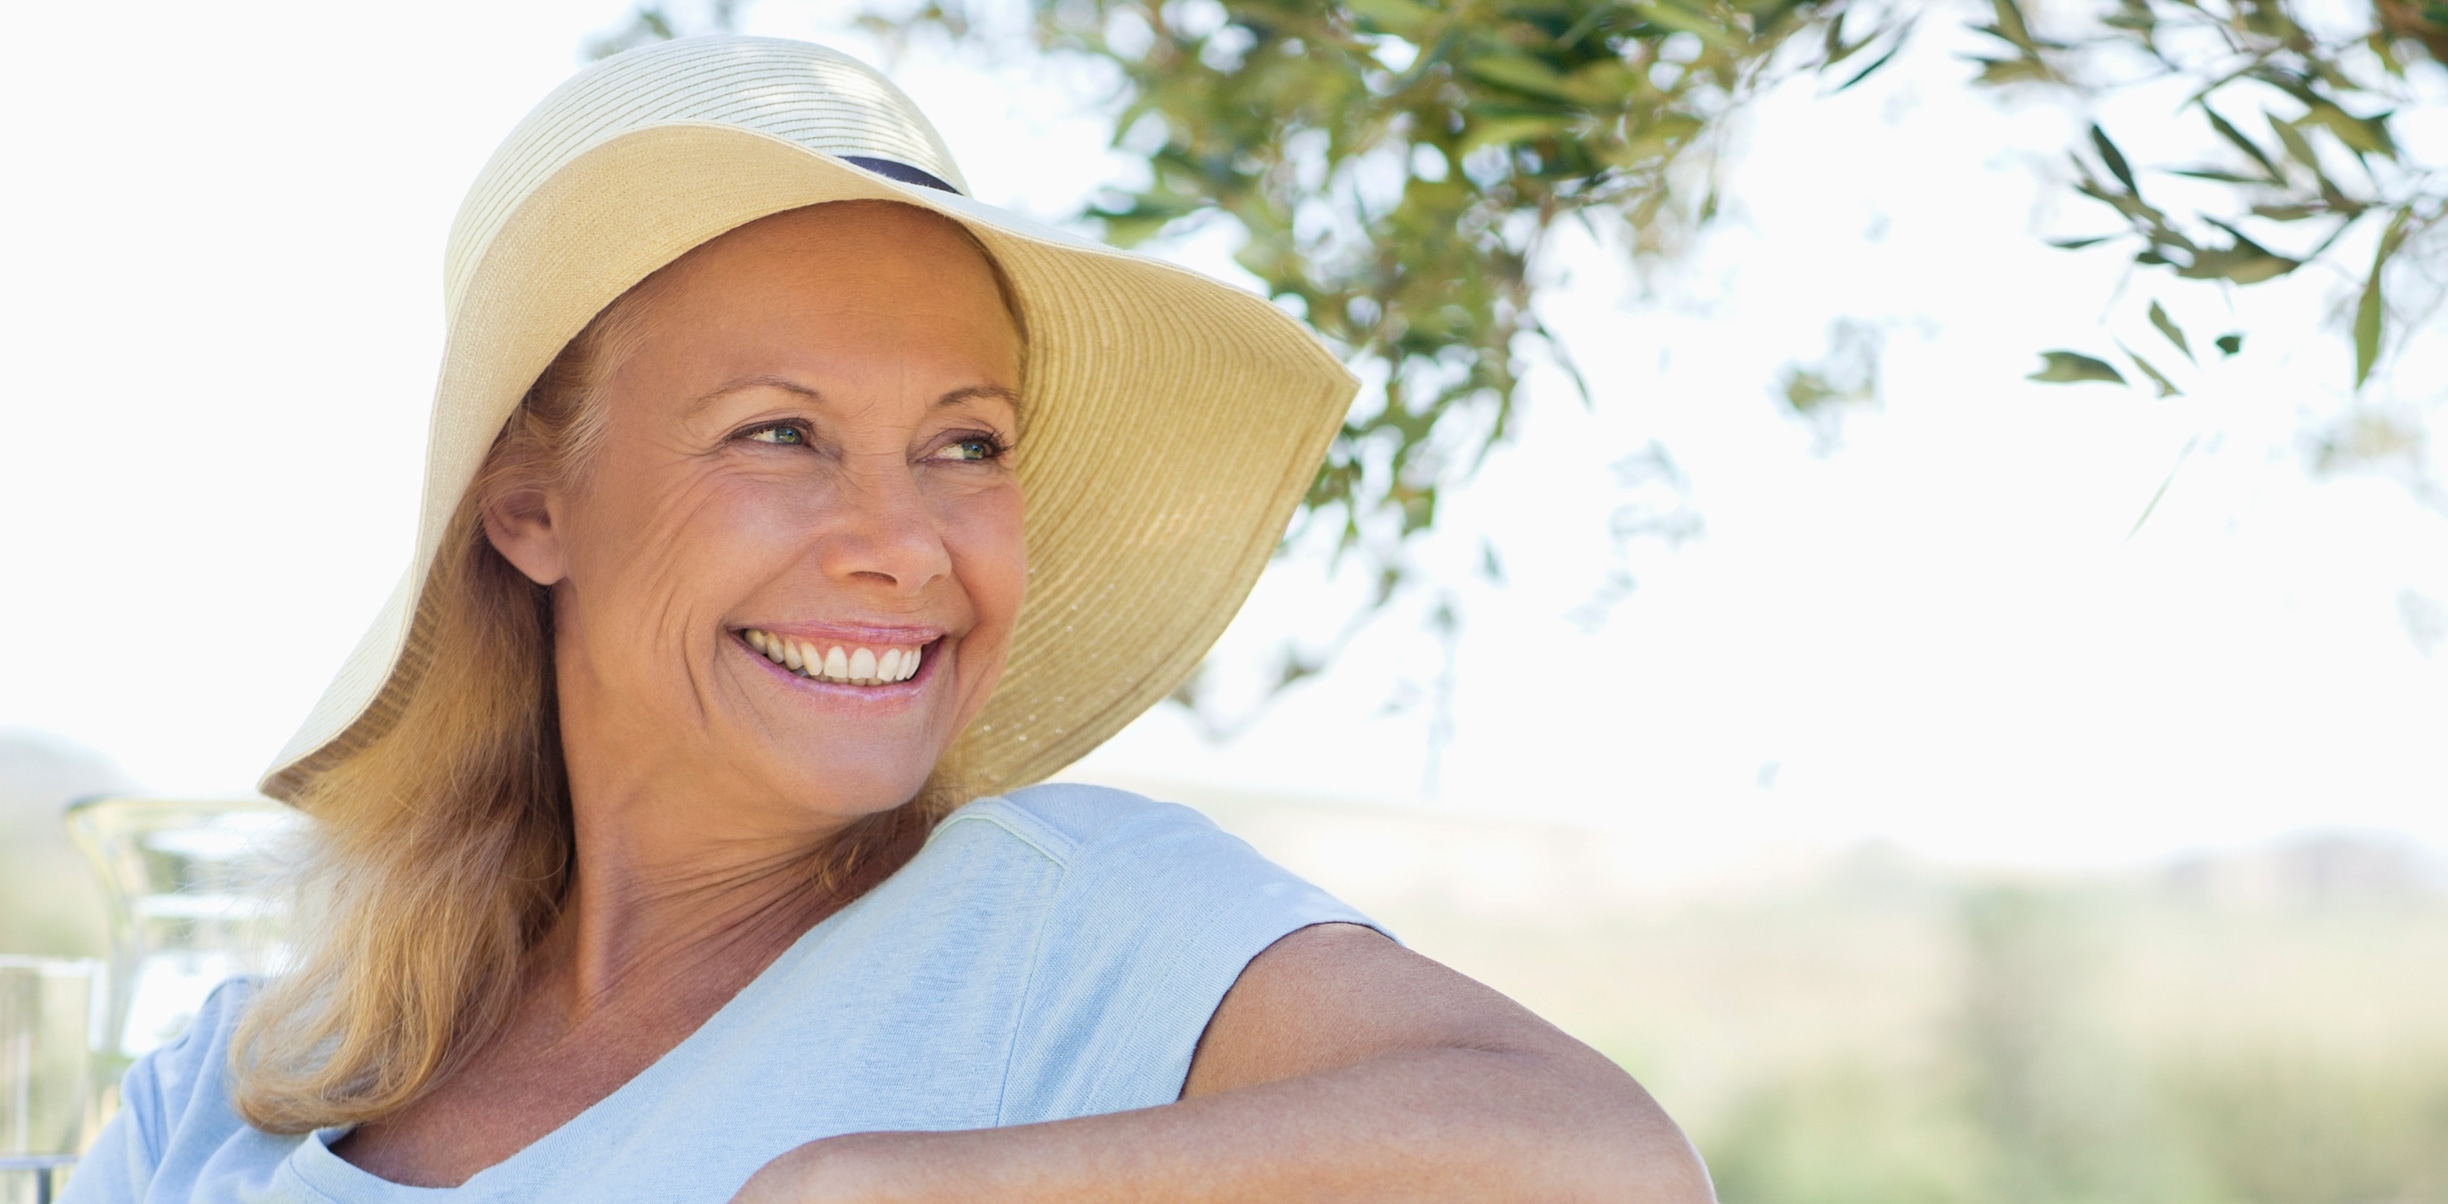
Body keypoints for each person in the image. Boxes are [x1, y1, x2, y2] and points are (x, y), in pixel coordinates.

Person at [62, 36, 1711, 1203]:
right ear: (532, 503)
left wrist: (889, 1188)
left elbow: (1608, 1166)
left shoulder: (1076, 927)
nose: (902, 544)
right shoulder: (241, 1073)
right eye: (780, 433)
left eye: (964, 445)